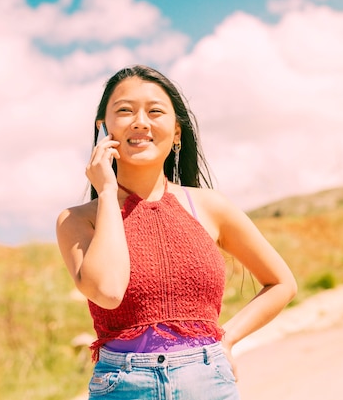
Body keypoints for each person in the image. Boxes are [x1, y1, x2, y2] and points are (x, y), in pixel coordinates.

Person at [56, 64, 297, 399]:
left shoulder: (211, 206)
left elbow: (282, 283)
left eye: (155, 111)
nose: (140, 121)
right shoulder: (78, 220)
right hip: (124, 387)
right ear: (103, 129)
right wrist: (108, 192)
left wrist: (226, 339)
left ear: (178, 131)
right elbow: (108, 291)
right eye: (124, 111)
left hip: (208, 382)